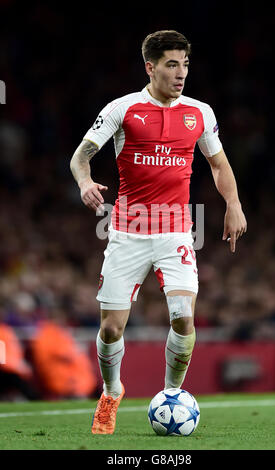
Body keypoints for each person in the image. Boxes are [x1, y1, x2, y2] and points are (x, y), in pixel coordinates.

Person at [70, 30, 247, 434]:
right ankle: (111, 393)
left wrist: (234, 205)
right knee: (111, 327)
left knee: (184, 318)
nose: (181, 72)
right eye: (171, 64)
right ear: (150, 67)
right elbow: (81, 157)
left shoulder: (200, 112)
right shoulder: (123, 109)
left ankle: (171, 396)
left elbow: (219, 165)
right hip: (127, 231)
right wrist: (84, 181)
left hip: (177, 232)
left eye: (184, 63)